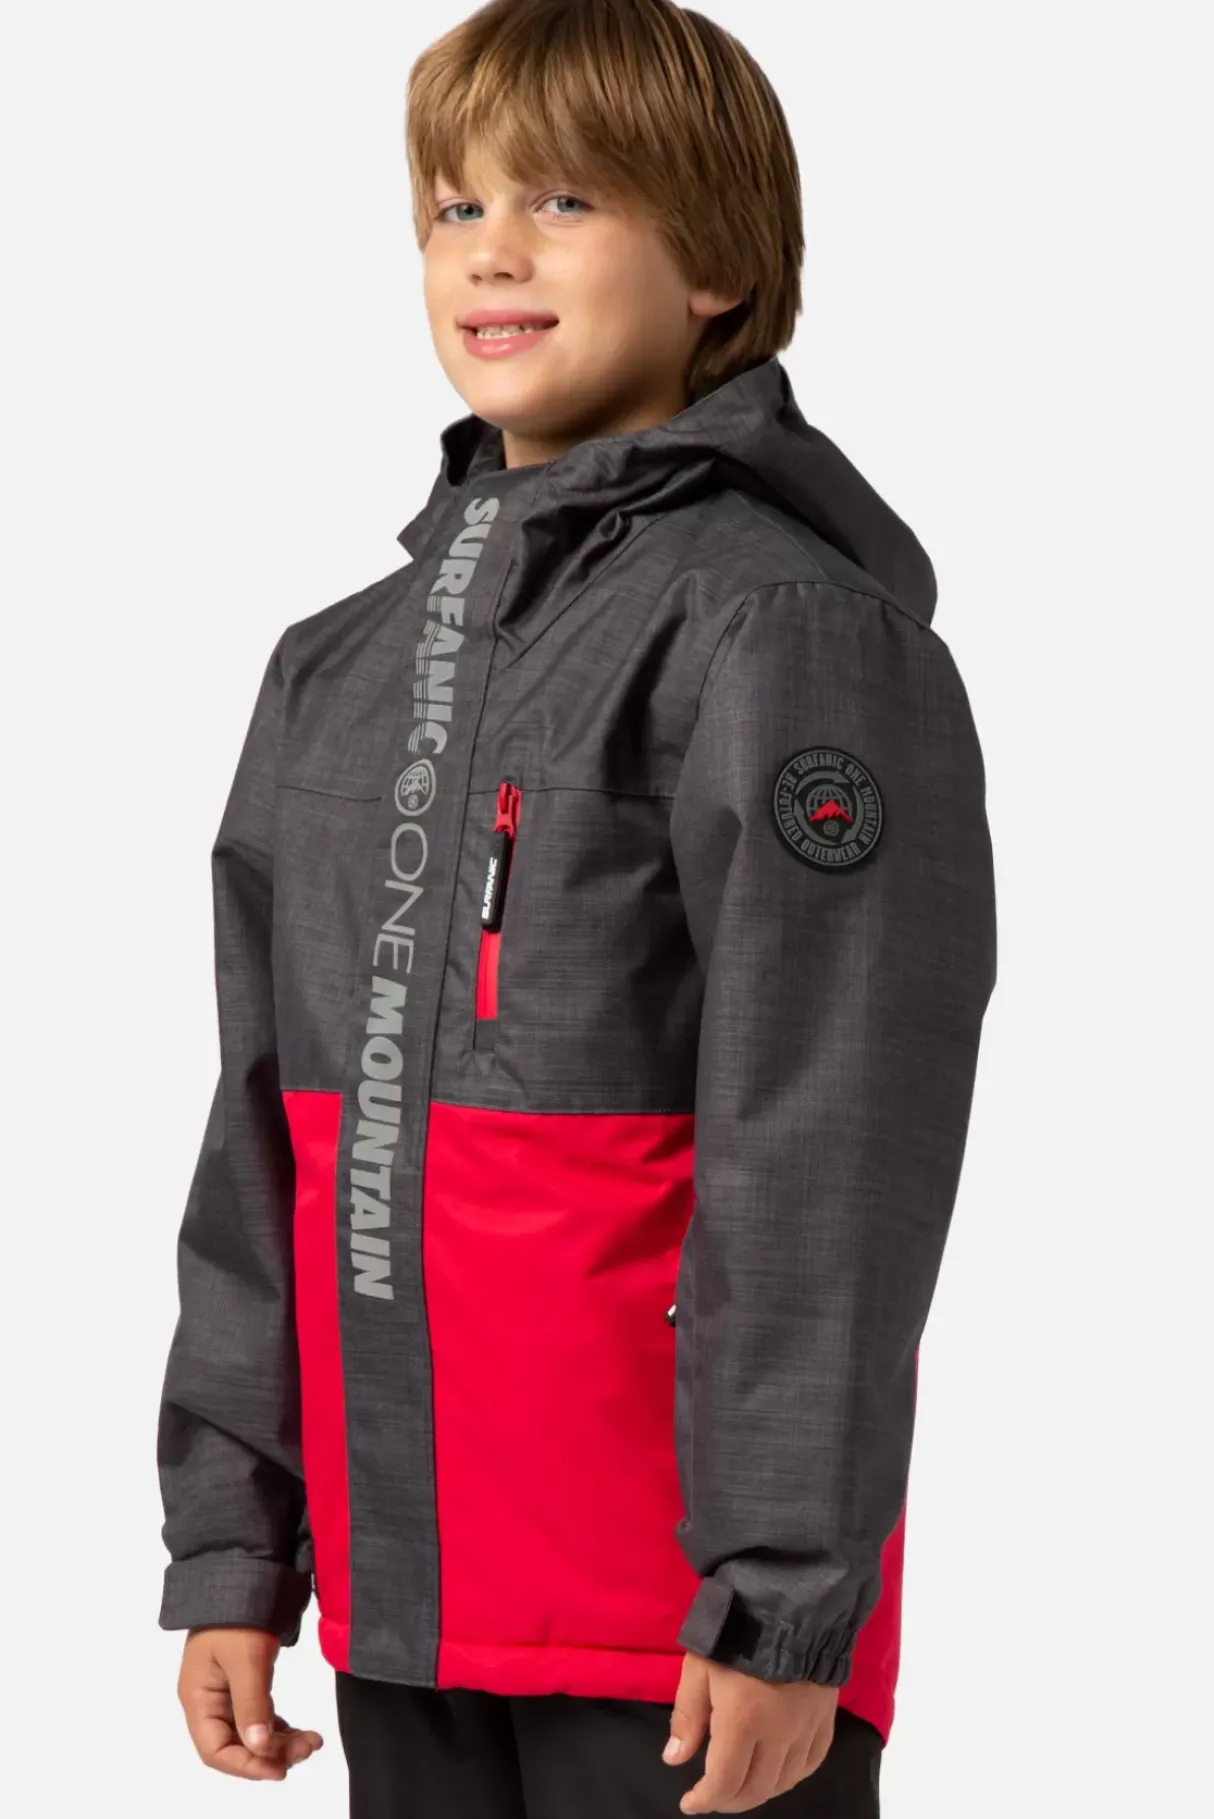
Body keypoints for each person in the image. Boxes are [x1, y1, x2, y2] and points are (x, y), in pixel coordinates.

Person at [156, 1, 998, 1813]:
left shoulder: (785, 634)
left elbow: (833, 1137)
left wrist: (781, 1599)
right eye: (455, 209)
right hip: (403, 1603)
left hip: (672, 1632)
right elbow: (265, 1132)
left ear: (715, 263)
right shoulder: (337, 668)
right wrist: (235, 1538)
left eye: (564, 199)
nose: (494, 253)